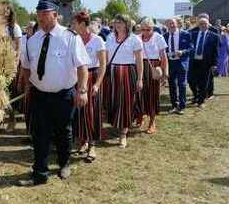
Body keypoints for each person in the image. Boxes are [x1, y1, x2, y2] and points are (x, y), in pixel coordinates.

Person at [18, 0, 89, 186]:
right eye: (38, 14)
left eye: (44, 14)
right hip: (39, 94)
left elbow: (82, 67)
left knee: (63, 131)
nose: (40, 17)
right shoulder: (32, 41)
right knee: (39, 134)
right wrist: (27, 84)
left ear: (56, 15)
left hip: (63, 94)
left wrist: (82, 90)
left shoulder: (70, 38)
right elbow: (26, 66)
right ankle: (39, 173)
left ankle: (64, 164)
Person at [70, 11, 106, 162]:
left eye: (75, 23)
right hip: (76, 78)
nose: (72, 26)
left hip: (91, 78)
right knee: (78, 112)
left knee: (91, 112)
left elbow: (103, 65)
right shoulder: (74, 39)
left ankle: (92, 145)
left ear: (83, 24)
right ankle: (82, 142)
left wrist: (97, 84)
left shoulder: (97, 40)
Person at [105, 14, 143, 148]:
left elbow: (139, 60)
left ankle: (123, 134)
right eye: (116, 22)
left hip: (127, 72)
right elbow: (106, 57)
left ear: (127, 24)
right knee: (113, 101)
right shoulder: (109, 37)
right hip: (112, 72)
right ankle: (116, 125)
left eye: (121, 22)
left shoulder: (134, 39)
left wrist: (139, 78)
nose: (118, 24)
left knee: (126, 102)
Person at [136, 18, 168, 133]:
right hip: (139, 66)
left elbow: (164, 57)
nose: (145, 32)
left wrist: (165, 73)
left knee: (152, 95)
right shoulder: (137, 38)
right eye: (143, 29)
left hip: (154, 67)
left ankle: (152, 121)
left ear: (152, 28)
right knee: (139, 93)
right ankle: (140, 115)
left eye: (148, 29)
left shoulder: (158, 37)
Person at [188, 17, 219, 109]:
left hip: (206, 62)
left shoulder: (214, 36)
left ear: (208, 25)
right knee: (191, 80)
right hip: (193, 61)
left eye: (205, 23)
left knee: (204, 82)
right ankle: (196, 95)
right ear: (198, 25)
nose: (203, 25)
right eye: (201, 24)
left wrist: (214, 64)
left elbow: (215, 51)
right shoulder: (192, 34)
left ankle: (201, 101)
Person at [163, 18, 192, 114]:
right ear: (167, 25)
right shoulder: (165, 36)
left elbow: (191, 48)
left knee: (182, 84)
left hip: (181, 62)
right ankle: (174, 105)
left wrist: (182, 52)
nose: (171, 25)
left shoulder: (185, 34)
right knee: (172, 85)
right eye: (169, 24)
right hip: (170, 63)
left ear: (177, 24)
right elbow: (163, 49)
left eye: (173, 23)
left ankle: (182, 106)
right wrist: (166, 54)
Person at [2, 2, 23, 133]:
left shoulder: (14, 28)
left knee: (10, 93)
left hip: (10, 64)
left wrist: (15, 64)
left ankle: (11, 118)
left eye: (6, 10)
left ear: (10, 12)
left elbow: (19, 48)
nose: (3, 12)